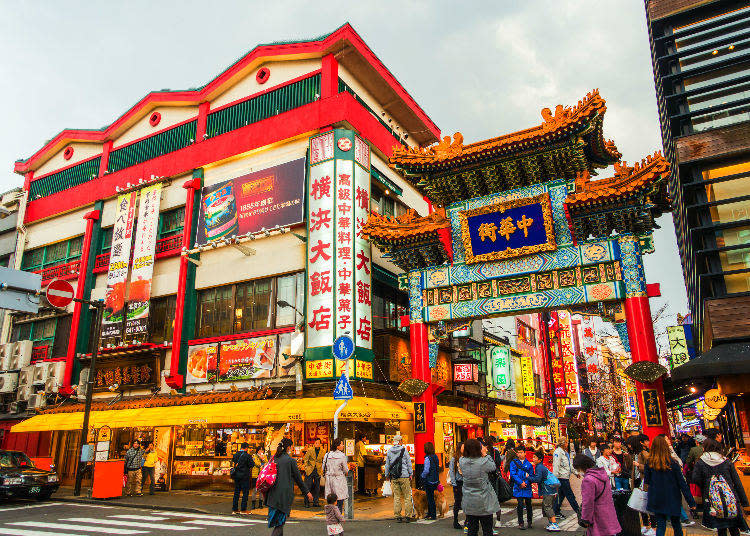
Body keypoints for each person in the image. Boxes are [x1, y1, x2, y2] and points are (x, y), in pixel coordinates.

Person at [692, 438, 749, 536]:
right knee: (734, 527)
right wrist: (744, 501)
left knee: (721, 528)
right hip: (730, 499)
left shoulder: (701, 462)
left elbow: (695, 479)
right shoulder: (726, 461)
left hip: (713, 501)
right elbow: (737, 482)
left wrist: (706, 486)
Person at [643, 435, 697, 536]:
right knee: (676, 524)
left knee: (661, 525)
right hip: (673, 497)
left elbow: (647, 481)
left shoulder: (649, 463)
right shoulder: (673, 463)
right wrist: (691, 502)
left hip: (656, 497)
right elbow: (682, 483)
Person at [265, 438, 312, 536]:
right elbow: (299, 479)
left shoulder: (273, 458)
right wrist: (307, 492)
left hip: (272, 495)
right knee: (279, 525)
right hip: (284, 497)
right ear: (288, 447)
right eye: (291, 446)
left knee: (279, 524)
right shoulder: (290, 461)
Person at [460, 438, 501, 536]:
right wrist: (485, 454)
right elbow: (493, 467)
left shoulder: (462, 461)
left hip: (469, 500)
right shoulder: (483, 461)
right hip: (484, 500)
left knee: (472, 529)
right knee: (487, 529)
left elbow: (462, 452)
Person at [574, 453, 621, 536]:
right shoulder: (602, 474)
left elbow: (588, 502)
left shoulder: (588, 480)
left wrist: (585, 519)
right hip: (608, 513)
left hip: (597, 515)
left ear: (581, 467)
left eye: (578, 469)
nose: (579, 472)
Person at [527, 449, 561, 531]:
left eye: (535, 457)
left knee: (547, 507)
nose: (533, 459)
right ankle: (551, 523)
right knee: (547, 506)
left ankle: (554, 524)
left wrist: (528, 477)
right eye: (533, 457)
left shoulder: (539, 467)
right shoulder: (541, 466)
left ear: (540, 459)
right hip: (551, 489)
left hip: (548, 490)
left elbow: (538, 479)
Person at [384, 434, 415, 523]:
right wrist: (411, 473)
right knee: (407, 496)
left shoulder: (389, 451)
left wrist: (387, 475)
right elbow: (409, 463)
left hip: (394, 477)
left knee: (397, 497)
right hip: (404, 476)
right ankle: (408, 516)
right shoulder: (404, 450)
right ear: (400, 441)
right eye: (401, 440)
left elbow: (387, 465)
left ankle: (398, 516)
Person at [553, 436, 580, 517]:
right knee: (570, 495)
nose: (567, 444)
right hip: (562, 478)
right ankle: (579, 511)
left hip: (565, 476)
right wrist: (555, 479)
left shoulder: (565, 452)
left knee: (561, 495)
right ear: (563, 443)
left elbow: (569, 465)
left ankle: (556, 511)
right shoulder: (558, 452)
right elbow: (556, 466)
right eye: (566, 442)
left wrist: (575, 473)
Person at [509, 444, 534, 530]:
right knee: (520, 505)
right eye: (518, 452)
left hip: (527, 487)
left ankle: (530, 521)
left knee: (529, 505)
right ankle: (521, 522)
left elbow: (531, 475)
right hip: (518, 487)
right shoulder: (513, 463)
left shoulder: (529, 464)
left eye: (521, 452)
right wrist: (520, 482)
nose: (519, 454)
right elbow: (513, 474)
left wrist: (525, 483)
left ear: (525, 453)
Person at [323, 438, 349, 516]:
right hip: (339, 480)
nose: (343, 445)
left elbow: (323, 468)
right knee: (339, 501)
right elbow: (346, 469)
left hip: (329, 480)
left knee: (331, 501)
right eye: (341, 444)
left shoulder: (327, 455)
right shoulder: (341, 455)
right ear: (337, 446)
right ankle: (338, 520)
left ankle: (331, 519)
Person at [231, 442, 254, 515]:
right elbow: (251, 465)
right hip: (244, 476)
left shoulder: (235, 454)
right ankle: (243, 509)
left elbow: (233, 462)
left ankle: (235, 509)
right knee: (245, 493)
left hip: (236, 476)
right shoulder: (247, 456)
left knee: (236, 492)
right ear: (246, 448)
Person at [303, 438, 325, 507]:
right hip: (310, 470)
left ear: (320, 444)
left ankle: (316, 502)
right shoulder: (310, 450)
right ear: (314, 443)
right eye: (316, 443)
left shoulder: (323, 451)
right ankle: (306, 502)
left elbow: (323, 460)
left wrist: (322, 469)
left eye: (318, 443)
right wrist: (306, 468)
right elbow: (305, 459)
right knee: (308, 486)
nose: (317, 444)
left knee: (317, 487)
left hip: (317, 470)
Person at [421, 441, 440, 520]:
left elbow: (426, 470)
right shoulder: (435, 456)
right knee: (431, 497)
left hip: (429, 480)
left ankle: (432, 514)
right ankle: (430, 513)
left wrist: (422, 476)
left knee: (430, 498)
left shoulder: (427, 458)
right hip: (435, 480)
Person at [449, 442, 465, 530]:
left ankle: (467, 521)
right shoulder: (454, 459)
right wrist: (454, 483)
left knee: (466, 502)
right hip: (458, 483)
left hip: (465, 482)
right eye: (463, 446)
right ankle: (455, 521)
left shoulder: (466, 457)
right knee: (457, 502)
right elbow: (451, 471)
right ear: (459, 448)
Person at [250, 445, 267, 510]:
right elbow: (256, 463)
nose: (261, 451)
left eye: (262, 450)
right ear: (257, 450)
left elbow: (267, 463)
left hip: (262, 474)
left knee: (261, 490)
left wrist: (263, 459)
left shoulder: (264, 456)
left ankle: (260, 504)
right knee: (254, 490)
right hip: (255, 475)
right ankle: (253, 504)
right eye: (260, 450)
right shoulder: (254, 456)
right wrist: (261, 461)